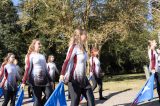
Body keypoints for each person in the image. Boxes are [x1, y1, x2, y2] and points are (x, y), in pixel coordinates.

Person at [59, 28, 95, 106]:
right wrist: (62, 74)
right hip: (73, 80)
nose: (87, 36)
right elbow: (67, 61)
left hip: (84, 79)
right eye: (85, 34)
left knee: (91, 102)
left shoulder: (83, 48)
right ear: (80, 36)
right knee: (75, 101)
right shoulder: (74, 47)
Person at [21, 39, 53, 106]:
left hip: (45, 80)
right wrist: (23, 81)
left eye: (40, 44)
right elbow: (27, 68)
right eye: (38, 43)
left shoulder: (42, 56)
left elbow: (46, 70)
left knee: (50, 94)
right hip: (35, 81)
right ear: (34, 45)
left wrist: (50, 80)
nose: (40, 45)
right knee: (37, 100)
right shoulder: (30, 55)